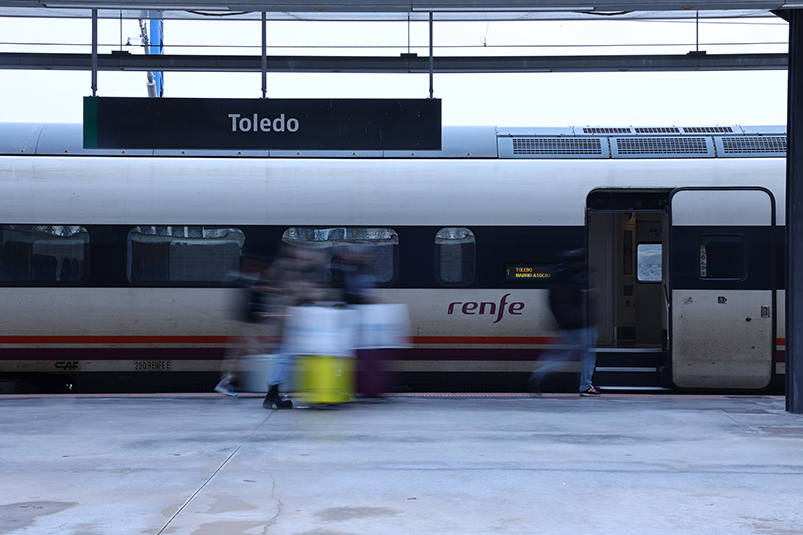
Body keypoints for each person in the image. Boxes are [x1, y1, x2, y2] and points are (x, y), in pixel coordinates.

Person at [261, 243, 329, 410]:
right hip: (288, 324)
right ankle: (272, 396)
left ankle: (273, 395)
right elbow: (299, 292)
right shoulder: (286, 272)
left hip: (290, 323)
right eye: (302, 257)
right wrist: (315, 294)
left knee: (285, 358)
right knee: (284, 358)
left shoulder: (287, 271)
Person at [530, 248, 601, 397]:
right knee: (588, 354)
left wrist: (560, 320)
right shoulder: (581, 275)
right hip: (584, 324)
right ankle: (586, 386)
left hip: (566, 324)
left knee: (560, 355)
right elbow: (591, 295)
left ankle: (539, 374)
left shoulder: (557, 276)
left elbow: (551, 301)